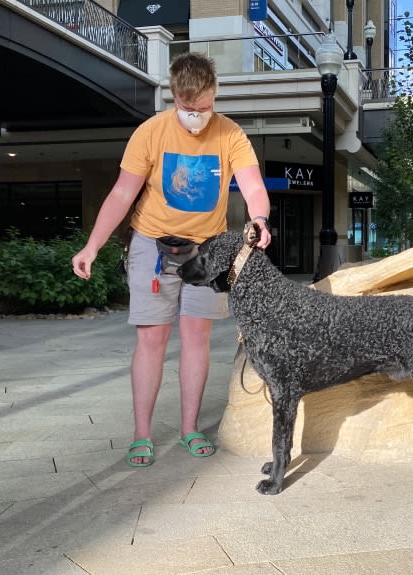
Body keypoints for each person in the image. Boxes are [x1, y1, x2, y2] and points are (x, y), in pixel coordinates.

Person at [72, 53, 271, 467]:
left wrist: (259, 218)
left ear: (214, 94)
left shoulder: (230, 133)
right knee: (151, 339)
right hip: (152, 245)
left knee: (196, 338)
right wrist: (92, 246)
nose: (197, 116)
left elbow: (252, 184)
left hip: (208, 247)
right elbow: (122, 195)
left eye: (204, 107)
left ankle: (189, 429)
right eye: (188, 108)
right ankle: (141, 434)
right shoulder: (151, 132)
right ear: (174, 97)